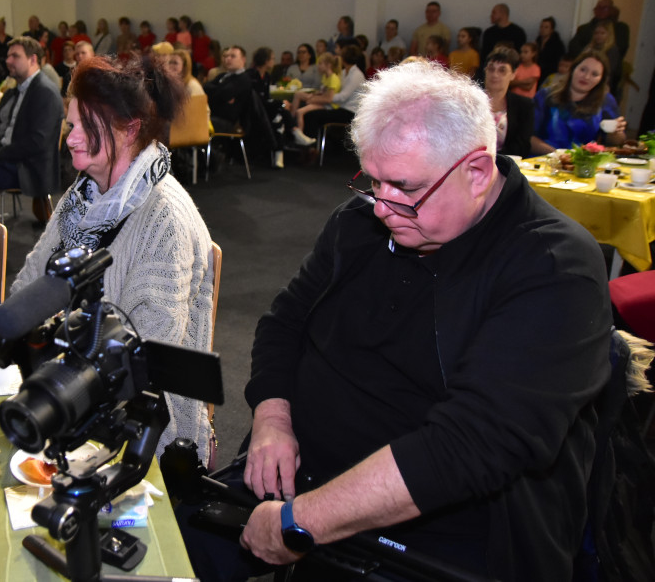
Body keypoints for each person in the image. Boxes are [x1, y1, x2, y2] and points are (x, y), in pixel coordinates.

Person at [181, 60, 612, 582]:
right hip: (301, 476)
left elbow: (469, 448)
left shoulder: (554, 266)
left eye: (405, 187)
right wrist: (272, 418)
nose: (383, 206)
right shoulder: (361, 223)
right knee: (146, 549)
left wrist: (302, 521)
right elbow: (284, 321)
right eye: (373, 181)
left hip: (436, 530)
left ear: (476, 172)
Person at [0, 54, 215, 463]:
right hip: (69, 372)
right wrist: (13, 337)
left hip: (138, 417)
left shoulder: (165, 218)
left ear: (128, 129)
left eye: (82, 126)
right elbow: (29, 281)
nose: (70, 138)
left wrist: (45, 353)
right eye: (71, 124)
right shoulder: (83, 196)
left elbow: (144, 358)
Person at [0, 36, 63, 223]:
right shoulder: (20, 89)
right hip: (9, 155)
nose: (8, 61)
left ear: (33, 59)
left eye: (15, 56)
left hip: (27, 166)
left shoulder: (44, 92)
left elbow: (36, 142)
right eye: (8, 56)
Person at [532, 50, 626, 153]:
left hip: (583, 163)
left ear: (601, 80)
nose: (586, 77)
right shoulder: (545, 95)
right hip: (543, 160)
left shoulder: (606, 101)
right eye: (583, 70)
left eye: (594, 74)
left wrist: (616, 133)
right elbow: (528, 137)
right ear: (573, 69)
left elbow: (616, 142)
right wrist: (558, 156)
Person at [294, 46, 365, 147]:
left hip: (349, 111)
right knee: (310, 113)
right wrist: (324, 97)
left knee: (312, 115)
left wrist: (324, 98)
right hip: (340, 107)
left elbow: (343, 96)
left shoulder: (356, 75)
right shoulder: (344, 72)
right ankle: (310, 145)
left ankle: (311, 148)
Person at [483, 47, 534, 157]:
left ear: (513, 74)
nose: (495, 74)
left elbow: (522, 146)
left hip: (506, 165)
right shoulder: (469, 101)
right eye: (491, 69)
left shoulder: (524, 105)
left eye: (502, 70)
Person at [536, 16, 566, 83]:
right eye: (541, 27)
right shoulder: (537, 42)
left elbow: (557, 62)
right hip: (537, 72)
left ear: (552, 30)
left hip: (550, 73)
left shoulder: (557, 45)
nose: (543, 29)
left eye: (546, 27)